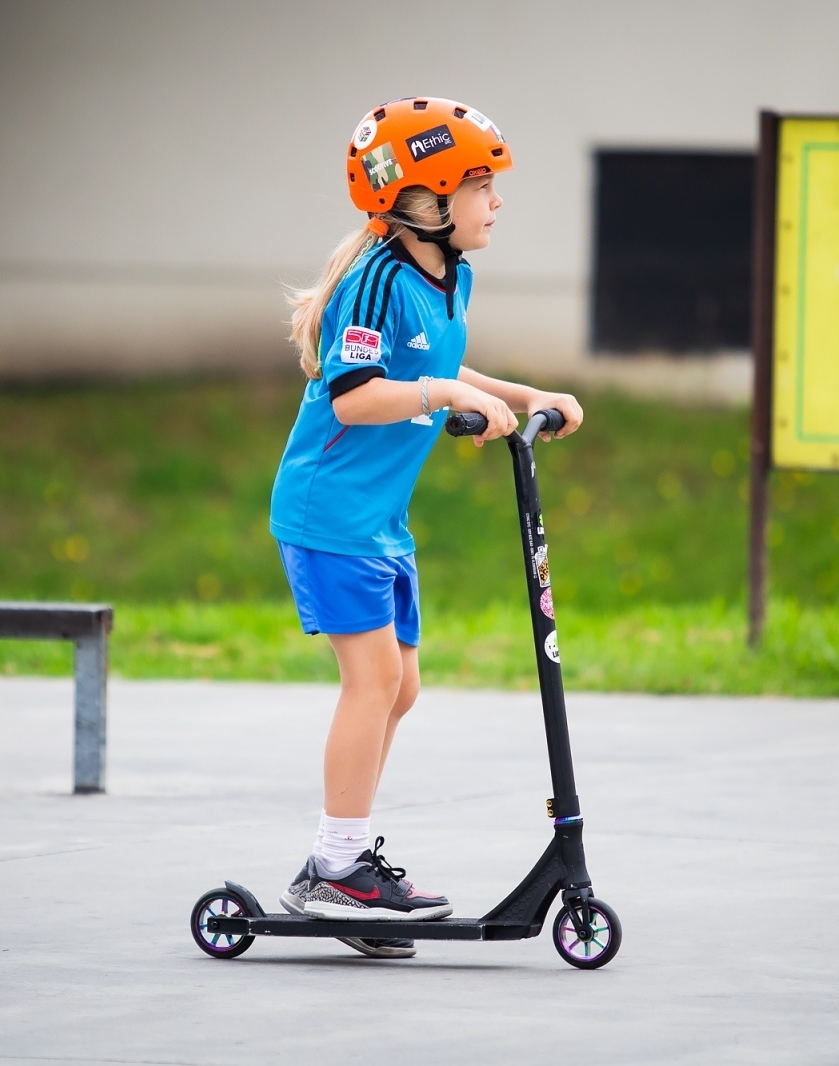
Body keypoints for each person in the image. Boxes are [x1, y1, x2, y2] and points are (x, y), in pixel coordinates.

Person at [269, 97, 583, 959]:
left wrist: (523, 397)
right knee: (371, 684)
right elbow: (358, 397)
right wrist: (448, 399)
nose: (497, 201)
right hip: (328, 512)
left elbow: (437, 364)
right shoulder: (374, 281)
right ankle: (333, 870)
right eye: (480, 185)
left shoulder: (448, 277)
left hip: (378, 521)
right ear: (423, 200)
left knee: (401, 689)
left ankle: (343, 867)